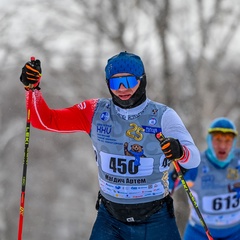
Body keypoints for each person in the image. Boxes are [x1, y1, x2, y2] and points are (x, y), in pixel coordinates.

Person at [20, 51, 200, 240]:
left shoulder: (163, 115)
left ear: (142, 80)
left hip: (155, 218)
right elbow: (45, 121)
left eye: (129, 81)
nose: (122, 89)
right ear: (108, 84)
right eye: (115, 83)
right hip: (111, 220)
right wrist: (33, 89)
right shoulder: (95, 111)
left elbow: (193, 159)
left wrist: (179, 151)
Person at [169, 117, 240, 240]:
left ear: (233, 142)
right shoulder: (196, 164)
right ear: (209, 140)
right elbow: (165, 187)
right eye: (217, 140)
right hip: (200, 233)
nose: (222, 145)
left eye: (228, 140)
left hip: (236, 232)